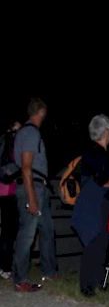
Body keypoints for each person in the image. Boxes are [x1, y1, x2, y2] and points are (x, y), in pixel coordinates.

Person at [71, 115, 109, 298]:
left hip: (99, 205)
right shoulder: (97, 153)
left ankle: (99, 282)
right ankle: (87, 286)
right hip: (95, 206)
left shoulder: (92, 152)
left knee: (100, 244)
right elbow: (103, 181)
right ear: (105, 132)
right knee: (94, 244)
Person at [13, 98, 58, 292]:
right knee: (27, 234)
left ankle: (49, 272)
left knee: (47, 230)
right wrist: (32, 198)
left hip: (39, 187)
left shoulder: (27, 132)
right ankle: (20, 279)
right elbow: (26, 167)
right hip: (33, 188)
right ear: (41, 111)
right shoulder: (31, 132)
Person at [0, 120, 21, 281]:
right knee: (9, 230)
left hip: (6, 191)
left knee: (7, 230)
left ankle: (5, 266)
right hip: (6, 191)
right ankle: (5, 268)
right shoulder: (9, 142)